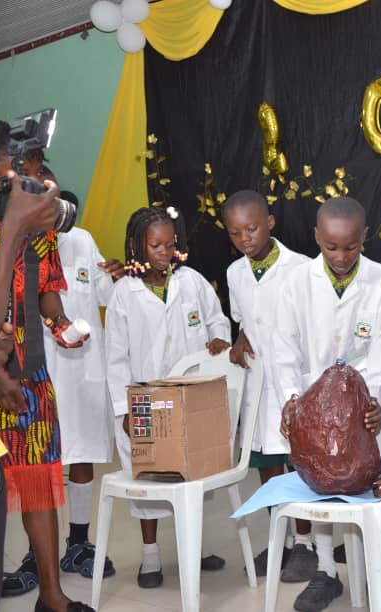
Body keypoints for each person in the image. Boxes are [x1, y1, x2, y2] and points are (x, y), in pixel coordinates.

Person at [273, 196, 381, 612]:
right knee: (321, 482)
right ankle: (327, 570)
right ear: (316, 238)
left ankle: (380, 566)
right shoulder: (296, 283)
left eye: (351, 246)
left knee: (368, 478)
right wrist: (292, 400)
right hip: (311, 403)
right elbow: (284, 349)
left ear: (365, 237)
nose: (341, 256)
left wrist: (372, 400)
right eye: (331, 247)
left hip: (363, 404)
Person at [104, 205, 231, 588]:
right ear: (137, 247)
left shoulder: (191, 281)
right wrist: (124, 409)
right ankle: (150, 556)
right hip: (145, 401)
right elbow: (115, 358)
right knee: (150, 477)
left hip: (190, 397)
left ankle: (195, 546)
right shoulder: (124, 294)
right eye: (155, 246)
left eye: (170, 244)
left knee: (192, 474)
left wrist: (218, 338)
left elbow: (217, 319)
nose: (164, 252)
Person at [0, 119, 94, 611]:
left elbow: (45, 293)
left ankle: (51, 595)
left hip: (29, 375)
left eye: (36, 171)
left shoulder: (40, 232)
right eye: (21, 174)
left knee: (38, 479)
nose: (34, 184)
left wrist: (62, 326)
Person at [20, 179, 125, 584]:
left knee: (81, 456)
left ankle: (78, 543)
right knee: (36, 463)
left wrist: (116, 276)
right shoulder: (18, 243)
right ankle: (36, 552)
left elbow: (107, 297)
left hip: (81, 372)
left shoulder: (81, 240)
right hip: (37, 372)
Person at [223, 190, 317, 581]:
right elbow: (245, 318)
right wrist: (240, 338)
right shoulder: (235, 273)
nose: (245, 238)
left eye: (252, 228)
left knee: (300, 465)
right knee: (268, 466)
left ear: (270, 223)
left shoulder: (303, 269)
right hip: (259, 385)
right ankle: (282, 538)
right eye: (235, 232)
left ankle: (306, 543)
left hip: (295, 383)